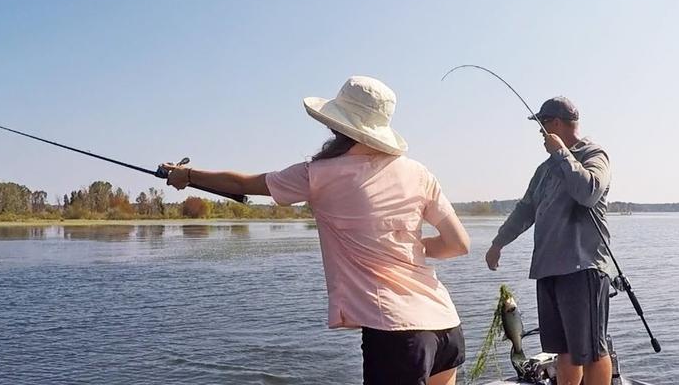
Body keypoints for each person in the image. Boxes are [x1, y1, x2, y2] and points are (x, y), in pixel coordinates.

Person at [161, 76, 470, 385]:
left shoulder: (318, 174)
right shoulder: (418, 173)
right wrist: (409, 247)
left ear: (338, 125)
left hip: (396, 331)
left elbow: (243, 184)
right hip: (445, 324)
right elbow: (458, 244)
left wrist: (186, 175)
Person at [484, 96, 613, 385]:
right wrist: (498, 243)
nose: (540, 133)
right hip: (549, 272)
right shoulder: (543, 170)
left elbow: (589, 192)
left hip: (583, 270)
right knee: (563, 351)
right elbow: (524, 211)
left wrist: (563, 155)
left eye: (542, 125)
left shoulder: (594, 154)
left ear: (555, 123)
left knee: (592, 350)